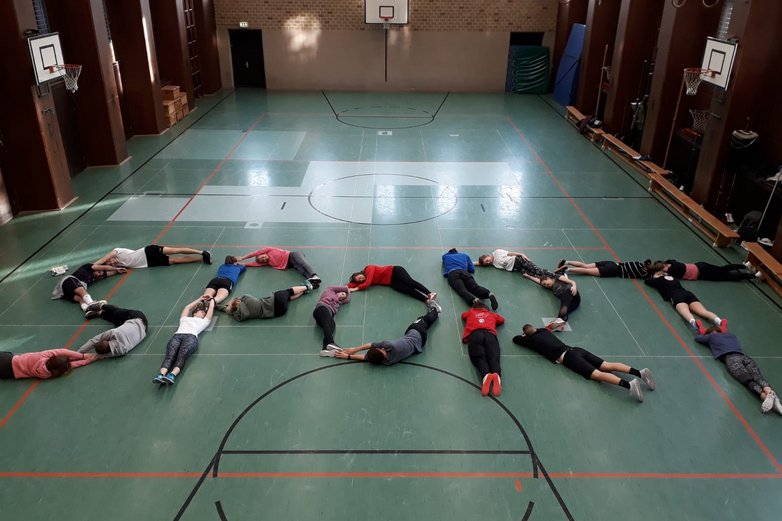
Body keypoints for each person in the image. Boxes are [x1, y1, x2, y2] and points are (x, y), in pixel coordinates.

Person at [513, 324, 654, 402]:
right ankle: (639, 373)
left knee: (598, 375)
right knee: (607, 365)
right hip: (576, 349)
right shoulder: (544, 331)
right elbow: (540, 329)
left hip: (569, 358)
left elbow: (516, 339)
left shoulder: (530, 340)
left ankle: (630, 385)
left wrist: (525, 336)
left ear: (527, 334)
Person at [694, 326, 781, 415]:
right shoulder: (731, 335)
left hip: (732, 360)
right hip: (744, 357)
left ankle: (766, 398)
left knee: (748, 381)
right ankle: (770, 393)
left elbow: (697, 339)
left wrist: (703, 333)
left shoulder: (712, 336)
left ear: (711, 332)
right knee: (759, 378)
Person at [329, 302, 440, 363]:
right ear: (381, 350)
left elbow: (365, 358)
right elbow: (371, 344)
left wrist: (348, 356)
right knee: (424, 320)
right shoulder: (390, 345)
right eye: (380, 349)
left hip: (420, 344)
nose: (380, 348)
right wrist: (354, 349)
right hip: (416, 332)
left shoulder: (386, 362)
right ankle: (435, 309)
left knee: (426, 326)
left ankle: (432, 314)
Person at [152, 298, 215, 385]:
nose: (204, 313)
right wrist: (201, 298)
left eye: (204, 313)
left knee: (182, 356)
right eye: (201, 311)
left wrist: (212, 300)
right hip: (177, 336)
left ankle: (172, 375)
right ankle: (160, 375)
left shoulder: (204, 321)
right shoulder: (184, 319)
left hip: (191, 337)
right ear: (195, 313)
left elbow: (211, 308)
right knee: (170, 356)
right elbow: (187, 308)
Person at [644, 269, 727, 334]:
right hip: (687, 293)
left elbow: (647, 281)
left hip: (676, 295)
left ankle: (694, 323)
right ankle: (719, 321)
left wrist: (654, 276)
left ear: (658, 275)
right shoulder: (674, 278)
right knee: (703, 311)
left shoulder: (658, 280)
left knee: (685, 312)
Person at [348, 265, 440, 311]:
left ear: (360, 273)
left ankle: (429, 293)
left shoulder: (369, 268)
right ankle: (426, 300)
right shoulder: (364, 280)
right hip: (391, 282)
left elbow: (367, 283)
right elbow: (351, 285)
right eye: (359, 281)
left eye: (360, 277)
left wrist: (355, 289)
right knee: (407, 290)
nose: (361, 280)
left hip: (395, 271)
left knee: (409, 282)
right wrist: (344, 288)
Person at [461, 302, 505, 397]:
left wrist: (473, 312)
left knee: (478, 357)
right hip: (490, 335)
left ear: (474, 308)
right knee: (494, 357)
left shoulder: (471, 313)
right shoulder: (491, 314)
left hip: (476, 335)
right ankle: (496, 375)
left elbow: (463, 315)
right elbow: (502, 320)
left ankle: (486, 375)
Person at [51, 263, 126, 315]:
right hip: (69, 280)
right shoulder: (88, 267)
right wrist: (116, 268)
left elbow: (106, 274)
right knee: (82, 290)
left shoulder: (94, 277)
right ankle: (91, 304)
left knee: (81, 299)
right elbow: (103, 267)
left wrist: (117, 271)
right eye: (99, 272)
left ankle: (87, 310)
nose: (99, 274)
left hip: (66, 292)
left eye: (100, 274)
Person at [78, 303, 148, 358]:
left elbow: (96, 349)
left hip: (144, 329)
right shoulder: (115, 335)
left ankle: (101, 306)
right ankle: (100, 312)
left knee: (116, 316)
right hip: (138, 318)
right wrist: (79, 353)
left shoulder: (121, 350)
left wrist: (78, 354)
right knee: (116, 314)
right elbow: (94, 342)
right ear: (105, 340)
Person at [239, 247, 321, 287]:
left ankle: (314, 275)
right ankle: (314, 283)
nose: (264, 259)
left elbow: (255, 253)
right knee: (302, 271)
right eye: (262, 260)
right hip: (291, 265)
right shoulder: (267, 263)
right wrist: (243, 264)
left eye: (263, 257)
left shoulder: (269, 250)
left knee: (303, 263)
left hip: (293, 255)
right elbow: (253, 264)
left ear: (263, 253)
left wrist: (243, 258)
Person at [221, 285, 310, 322]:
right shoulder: (246, 298)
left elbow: (228, 310)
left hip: (279, 312)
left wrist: (219, 307)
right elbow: (236, 299)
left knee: (288, 299)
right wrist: (231, 302)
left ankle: (303, 292)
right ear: (237, 302)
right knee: (288, 291)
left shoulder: (238, 316)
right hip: (276, 300)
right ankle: (308, 286)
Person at [0, 349, 97, 380]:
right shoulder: (47, 374)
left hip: (8, 360)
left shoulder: (41, 356)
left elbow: (61, 351)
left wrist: (83, 355)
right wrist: (86, 361)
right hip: (7, 373)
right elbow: (71, 365)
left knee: (7, 353)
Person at [93, 244, 211, 269]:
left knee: (175, 250)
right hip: (149, 263)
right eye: (110, 265)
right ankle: (202, 258)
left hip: (148, 251)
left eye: (110, 262)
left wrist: (91, 266)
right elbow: (105, 267)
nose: (112, 264)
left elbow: (103, 260)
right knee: (176, 261)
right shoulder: (116, 265)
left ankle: (201, 252)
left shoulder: (116, 251)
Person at [313, 285, 351, 353]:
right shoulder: (330, 291)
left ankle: (325, 348)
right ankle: (330, 342)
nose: (342, 297)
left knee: (332, 325)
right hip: (321, 309)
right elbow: (344, 288)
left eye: (343, 297)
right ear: (338, 291)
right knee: (327, 321)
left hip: (324, 317)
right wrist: (347, 290)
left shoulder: (339, 302)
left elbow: (348, 300)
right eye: (342, 293)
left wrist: (349, 293)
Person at [477, 249, 555, 279]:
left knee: (536, 270)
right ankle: (551, 279)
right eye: (487, 263)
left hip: (518, 260)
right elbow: (478, 263)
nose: (488, 262)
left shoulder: (497, 252)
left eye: (487, 260)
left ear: (487, 255)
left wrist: (521, 254)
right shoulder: (493, 264)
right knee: (532, 275)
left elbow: (510, 253)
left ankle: (555, 275)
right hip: (517, 268)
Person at [660, 259, 760, 282]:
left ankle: (754, 276)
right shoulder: (672, 264)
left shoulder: (673, 269)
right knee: (723, 269)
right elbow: (672, 261)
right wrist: (666, 265)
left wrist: (665, 271)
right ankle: (745, 266)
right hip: (701, 266)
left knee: (727, 276)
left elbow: (669, 275)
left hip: (703, 272)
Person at [555, 259, 651, 279]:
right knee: (588, 271)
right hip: (613, 271)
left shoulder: (638, 263)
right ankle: (566, 269)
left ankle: (566, 262)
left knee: (586, 265)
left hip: (612, 263)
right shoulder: (643, 273)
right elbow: (649, 278)